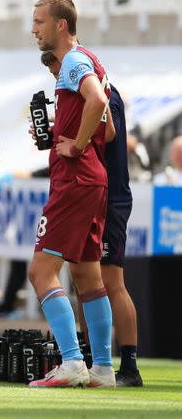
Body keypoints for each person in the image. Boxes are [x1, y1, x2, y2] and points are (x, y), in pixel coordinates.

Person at [27, 0, 115, 388]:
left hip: (75, 178)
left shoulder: (76, 61)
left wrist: (75, 146)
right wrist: (70, 134)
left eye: (39, 21)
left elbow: (96, 100)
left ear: (61, 25)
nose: (35, 29)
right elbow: (108, 130)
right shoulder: (92, 62)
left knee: (40, 271)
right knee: (87, 277)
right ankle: (103, 370)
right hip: (92, 178)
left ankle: (73, 362)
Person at [41, 50, 141, 386]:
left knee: (109, 281)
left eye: (56, 72)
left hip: (103, 193)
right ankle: (98, 363)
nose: (57, 82)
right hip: (101, 189)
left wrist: (75, 144)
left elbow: (104, 131)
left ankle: (125, 366)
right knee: (87, 278)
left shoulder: (93, 90)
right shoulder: (95, 87)